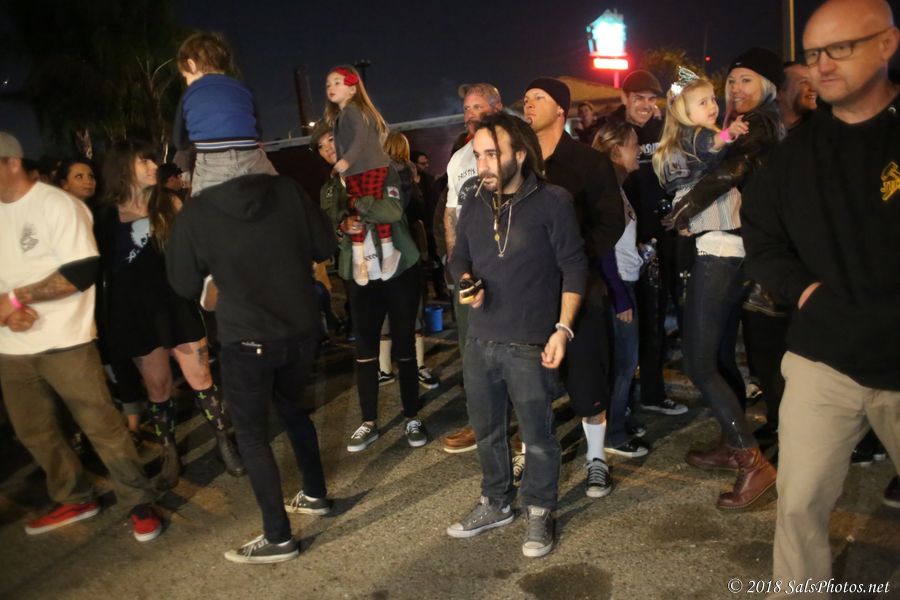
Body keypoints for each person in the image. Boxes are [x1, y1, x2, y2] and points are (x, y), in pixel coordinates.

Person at [741, 0, 900, 594]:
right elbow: (761, 241)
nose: (822, 65)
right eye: (812, 54)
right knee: (798, 505)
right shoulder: (793, 155)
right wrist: (804, 291)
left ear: (886, 44)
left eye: (840, 48)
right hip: (822, 360)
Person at [167, 161, 336, 564]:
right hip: (299, 330)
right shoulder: (288, 190)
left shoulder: (200, 209)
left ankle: (278, 537)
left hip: (247, 337)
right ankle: (315, 494)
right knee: (295, 411)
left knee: (253, 436)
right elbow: (324, 246)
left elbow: (183, 282)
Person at [0, 132, 162, 542]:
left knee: (102, 425)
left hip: (66, 340)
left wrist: (16, 300)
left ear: (12, 161)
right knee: (34, 430)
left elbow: (81, 271)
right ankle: (73, 496)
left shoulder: (57, 205)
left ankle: (138, 501)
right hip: (11, 347)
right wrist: (7, 313)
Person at [447, 112, 586, 558]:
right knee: (487, 431)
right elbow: (458, 256)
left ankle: (540, 509)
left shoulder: (553, 201)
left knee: (537, 436)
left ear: (520, 155)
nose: (483, 165)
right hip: (479, 338)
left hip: (530, 341)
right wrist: (465, 280)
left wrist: (563, 329)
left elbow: (574, 267)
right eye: (479, 155)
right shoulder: (473, 200)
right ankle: (496, 501)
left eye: (493, 154)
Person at [660, 51, 784, 510]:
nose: (732, 92)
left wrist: (684, 209)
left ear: (767, 85)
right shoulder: (716, 134)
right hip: (727, 248)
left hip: (722, 251)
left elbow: (730, 171)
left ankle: (752, 462)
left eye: (744, 81)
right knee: (718, 356)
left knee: (699, 363)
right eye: (730, 83)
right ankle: (734, 445)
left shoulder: (755, 125)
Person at [96, 140, 244, 489]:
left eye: (153, 160)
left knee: (201, 377)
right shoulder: (104, 217)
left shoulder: (169, 203)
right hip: (135, 314)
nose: (154, 166)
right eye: (144, 161)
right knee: (158, 386)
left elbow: (194, 252)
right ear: (122, 168)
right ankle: (169, 453)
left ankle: (225, 442)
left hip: (176, 304)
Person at [523, 78, 625, 491]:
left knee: (586, 377)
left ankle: (596, 457)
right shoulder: (521, 162)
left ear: (561, 109)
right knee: (530, 379)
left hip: (580, 284)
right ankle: (529, 452)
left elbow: (611, 221)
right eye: (526, 99)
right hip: (531, 289)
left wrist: (575, 258)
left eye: (538, 98)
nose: (528, 104)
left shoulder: (588, 162)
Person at [313, 121, 426, 453]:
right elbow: (327, 230)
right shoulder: (329, 189)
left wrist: (358, 207)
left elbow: (392, 209)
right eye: (321, 146)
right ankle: (368, 421)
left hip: (399, 267)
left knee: (404, 343)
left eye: (331, 140)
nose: (328, 148)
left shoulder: (383, 168)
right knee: (364, 349)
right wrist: (341, 226)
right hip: (360, 273)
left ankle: (412, 416)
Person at [605, 69, 689, 418]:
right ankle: (621, 402)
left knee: (659, 319)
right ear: (624, 98)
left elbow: (680, 170)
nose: (645, 105)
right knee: (630, 323)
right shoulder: (612, 131)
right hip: (626, 243)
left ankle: (653, 392)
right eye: (638, 97)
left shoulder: (663, 129)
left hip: (665, 236)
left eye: (650, 98)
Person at [441, 83, 505, 454]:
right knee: (472, 352)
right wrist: (457, 267)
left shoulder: (516, 148)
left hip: (509, 267)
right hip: (471, 271)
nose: (469, 114)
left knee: (515, 351)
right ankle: (480, 422)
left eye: (477, 106)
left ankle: (525, 425)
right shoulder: (459, 159)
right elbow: (451, 214)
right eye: (466, 108)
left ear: (497, 107)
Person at [593, 120, 648, 462]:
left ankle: (619, 420)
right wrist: (619, 295)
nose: (639, 150)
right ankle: (613, 433)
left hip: (625, 280)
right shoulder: (608, 189)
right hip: (618, 287)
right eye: (633, 144)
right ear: (616, 150)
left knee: (624, 362)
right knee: (624, 363)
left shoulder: (618, 186)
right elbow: (603, 248)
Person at [173, 32, 277, 196]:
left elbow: (179, 141)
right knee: (277, 191)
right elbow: (257, 131)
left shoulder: (189, 94)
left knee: (201, 203)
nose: (186, 82)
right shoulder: (243, 88)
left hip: (212, 164)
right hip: (251, 157)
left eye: (185, 76)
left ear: (191, 65)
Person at [325, 65, 401, 284]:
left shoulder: (353, 111)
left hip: (368, 166)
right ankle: (364, 257)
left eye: (337, 82)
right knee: (359, 209)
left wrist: (346, 160)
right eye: (328, 84)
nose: (331, 88)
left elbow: (360, 137)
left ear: (352, 89)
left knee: (365, 207)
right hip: (357, 169)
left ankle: (383, 253)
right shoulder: (343, 116)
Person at [777, 62, 817, 131]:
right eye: (804, 82)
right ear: (779, 93)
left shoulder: (824, 131)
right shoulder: (762, 129)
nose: (813, 89)